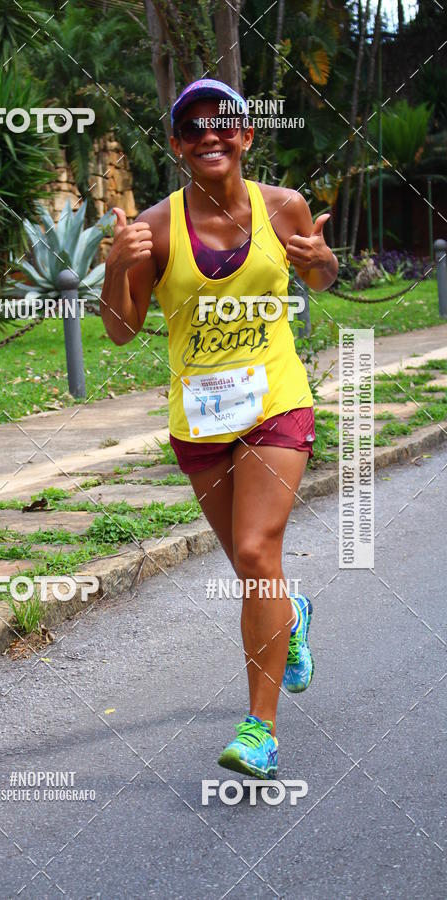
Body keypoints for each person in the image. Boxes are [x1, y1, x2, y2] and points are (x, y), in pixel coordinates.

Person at [100, 78, 338, 779]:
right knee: (248, 565)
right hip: (200, 418)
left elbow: (319, 278)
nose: (211, 134)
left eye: (224, 124)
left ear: (246, 136)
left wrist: (322, 265)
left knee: (258, 549)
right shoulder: (156, 227)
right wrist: (116, 270)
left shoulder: (282, 206)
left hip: (275, 401)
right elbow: (119, 332)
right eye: (194, 126)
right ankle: (289, 615)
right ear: (177, 145)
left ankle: (259, 728)